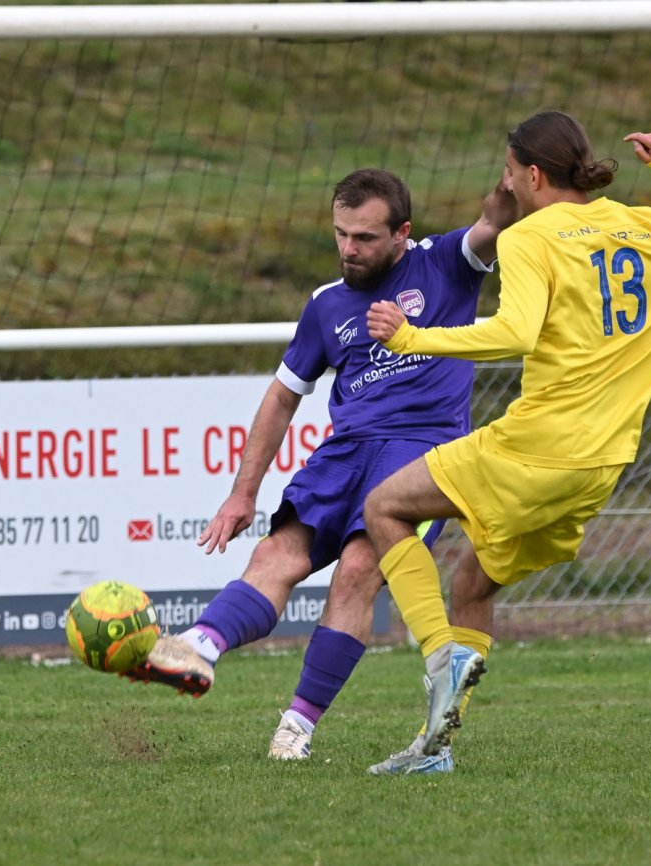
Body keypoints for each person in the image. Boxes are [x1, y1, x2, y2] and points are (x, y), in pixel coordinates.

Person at [362, 111, 651, 768]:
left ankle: (439, 657)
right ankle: (436, 747)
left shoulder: (530, 238)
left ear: (533, 175)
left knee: (384, 507)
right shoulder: (650, 228)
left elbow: (515, 332)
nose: (504, 185)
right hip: (602, 465)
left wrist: (413, 338)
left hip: (536, 447)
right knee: (473, 583)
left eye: (508, 173)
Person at [125, 168, 517, 773]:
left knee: (358, 570)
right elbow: (283, 396)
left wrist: (517, 174)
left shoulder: (446, 262)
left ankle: (296, 727)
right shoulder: (326, 304)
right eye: (341, 234)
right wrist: (242, 494)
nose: (348, 249)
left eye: (364, 237)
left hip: (421, 454)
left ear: (402, 233)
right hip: (345, 452)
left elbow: (496, 219)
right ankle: (198, 647)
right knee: (274, 556)